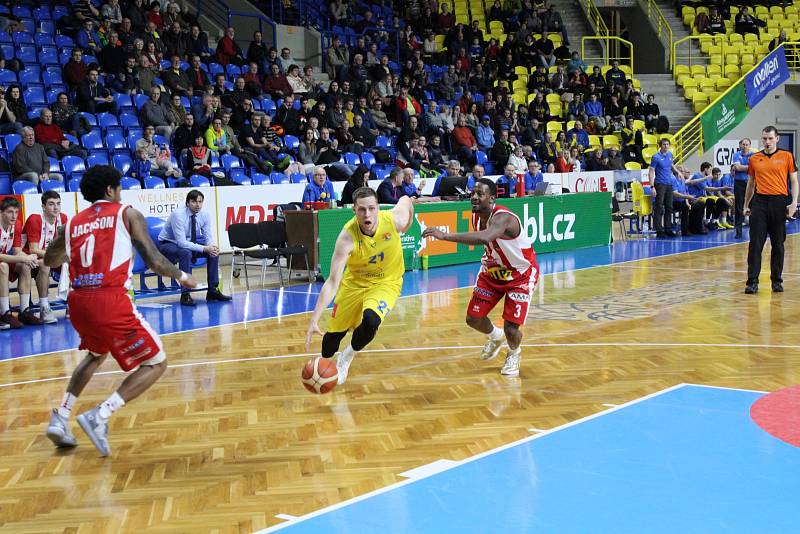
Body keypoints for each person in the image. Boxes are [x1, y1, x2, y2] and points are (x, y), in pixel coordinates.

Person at [42, 165, 198, 455]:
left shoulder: (72, 223)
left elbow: (51, 260)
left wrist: (71, 249)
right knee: (156, 363)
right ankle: (99, 415)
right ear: (111, 190)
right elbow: (153, 259)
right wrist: (182, 276)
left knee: (96, 355)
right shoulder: (126, 213)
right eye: (120, 189)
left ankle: (61, 415)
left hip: (77, 302)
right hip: (110, 300)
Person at [422, 178, 538, 376]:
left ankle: (514, 353)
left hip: (520, 275)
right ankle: (495, 336)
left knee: (512, 329)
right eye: (473, 193)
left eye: (480, 194)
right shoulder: (476, 216)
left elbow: (484, 238)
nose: (474, 197)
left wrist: (444, 236)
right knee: (473, 318)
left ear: (492, 198)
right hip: (492, 272)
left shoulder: (503, 218)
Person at [304, 188, 415, 384]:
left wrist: (406, 225)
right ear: (354, 210)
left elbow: (406, 200)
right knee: (328, 345)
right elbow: (332, 282)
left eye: (372, 208)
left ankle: (346, 357)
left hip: (386, 283)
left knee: (371, 321)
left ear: (378, 208)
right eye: (362, 210)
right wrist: (314, 318)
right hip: (354, 285)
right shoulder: (347, 238)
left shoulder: (393, 220)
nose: (367, 214)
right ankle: (330, 358)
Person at [743, 126, 799, 294]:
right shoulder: (754, 158)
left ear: (777, 139)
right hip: (759, 203)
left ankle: (776, 281)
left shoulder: (787, 156)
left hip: (779, 202)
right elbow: (751, 183)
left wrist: (794, 202)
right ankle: (752, 282)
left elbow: (794, 181)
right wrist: (746, 204)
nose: (767, 142)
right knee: (755, 244)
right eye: (764, 138)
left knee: (778, 244)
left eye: (770, 138)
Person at [157, 190, 231, 306]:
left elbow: (208, 236)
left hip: (190, 241)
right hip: (168, 243)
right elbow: (181, 243)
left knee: (214, 252)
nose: (198, 205)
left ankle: (212, 291)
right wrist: (204, 248)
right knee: (185, 253)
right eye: (194, 202)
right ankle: (185, 294)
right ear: (187, 203)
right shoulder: (178, 215)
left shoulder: (205, 215)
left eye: (200, 202)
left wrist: (211, 247)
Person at [21, 191, 69, 324]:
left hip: (47, 258)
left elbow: (65, 245)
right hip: (26, 258)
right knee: (44, 263)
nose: (56, 207)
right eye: (51, 204)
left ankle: (72, 303)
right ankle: (44, 306)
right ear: (43, 206)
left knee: (75, 262)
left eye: (58, 204)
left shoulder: (63, 219)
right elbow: (33, 250)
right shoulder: (35, 219)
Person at [0, 197, 42, 329]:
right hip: (2, 263)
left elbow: (18, 250)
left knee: (25, 265)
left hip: (5, 262)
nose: (14, 216)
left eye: (16, 212)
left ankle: (24, 311)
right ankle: (4, 313)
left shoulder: (17, 225)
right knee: (3, 266)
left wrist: (30, 258)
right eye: (10, 212)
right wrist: (23, 258)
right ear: (1, 213)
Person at [648, 138, 681, 238]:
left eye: (667, 144)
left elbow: (671, 165)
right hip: (660, 184)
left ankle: (668, 229)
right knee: (659, 207)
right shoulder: (656, 157)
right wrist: (652, 186)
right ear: (660, 146)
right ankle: (659, 230)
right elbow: (651, 172)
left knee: (669, 207)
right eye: (664, 144)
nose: (666, 146)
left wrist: (677, 172)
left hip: (669, 184)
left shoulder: (670, 155)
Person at [731, 138, 753, 239]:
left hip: (751, 183)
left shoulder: (753, 155)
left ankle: (754, 230)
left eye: (746, 144)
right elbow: (737, 168)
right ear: (740, 145)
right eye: (743, 144)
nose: (745, 146)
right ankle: (738, 232)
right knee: (739, 207)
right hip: (739, 184)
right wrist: (748, 167)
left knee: (752, 206)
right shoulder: (736, 155)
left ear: (749, 145)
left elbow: (753, 168)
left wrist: (741, 167)